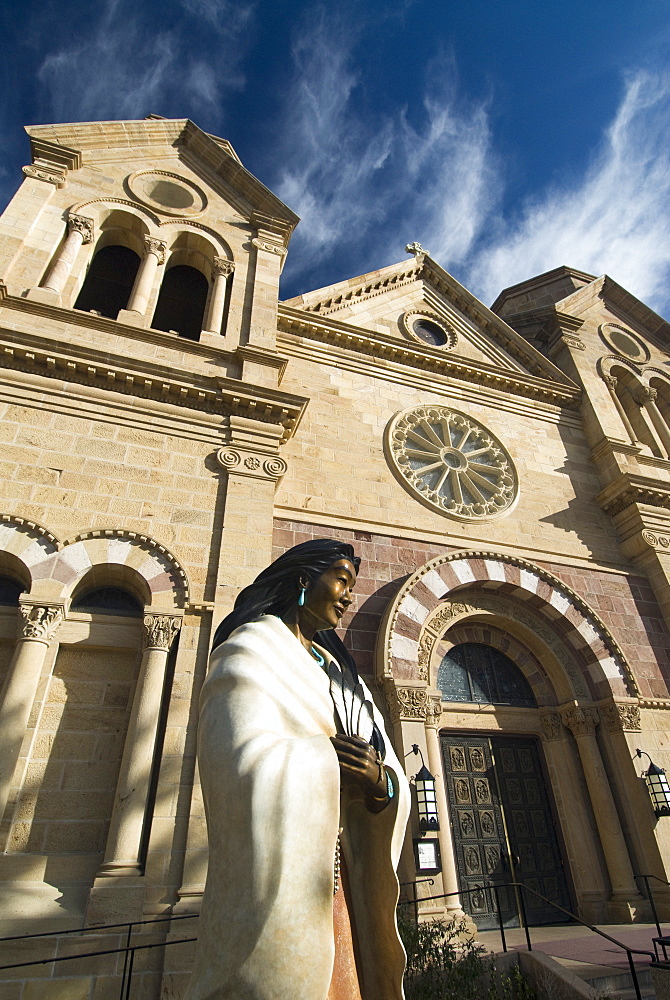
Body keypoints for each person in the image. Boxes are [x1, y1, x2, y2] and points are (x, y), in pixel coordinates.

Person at [185, 539, 410, 1000]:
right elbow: (235, 763)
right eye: (342, 581)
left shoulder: (341, 675)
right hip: (283, 888)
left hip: (343, 886)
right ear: (305, 580)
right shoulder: (250, 650)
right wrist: (328, 761)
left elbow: (386, 764)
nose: (349, 596)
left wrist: (378, 780)